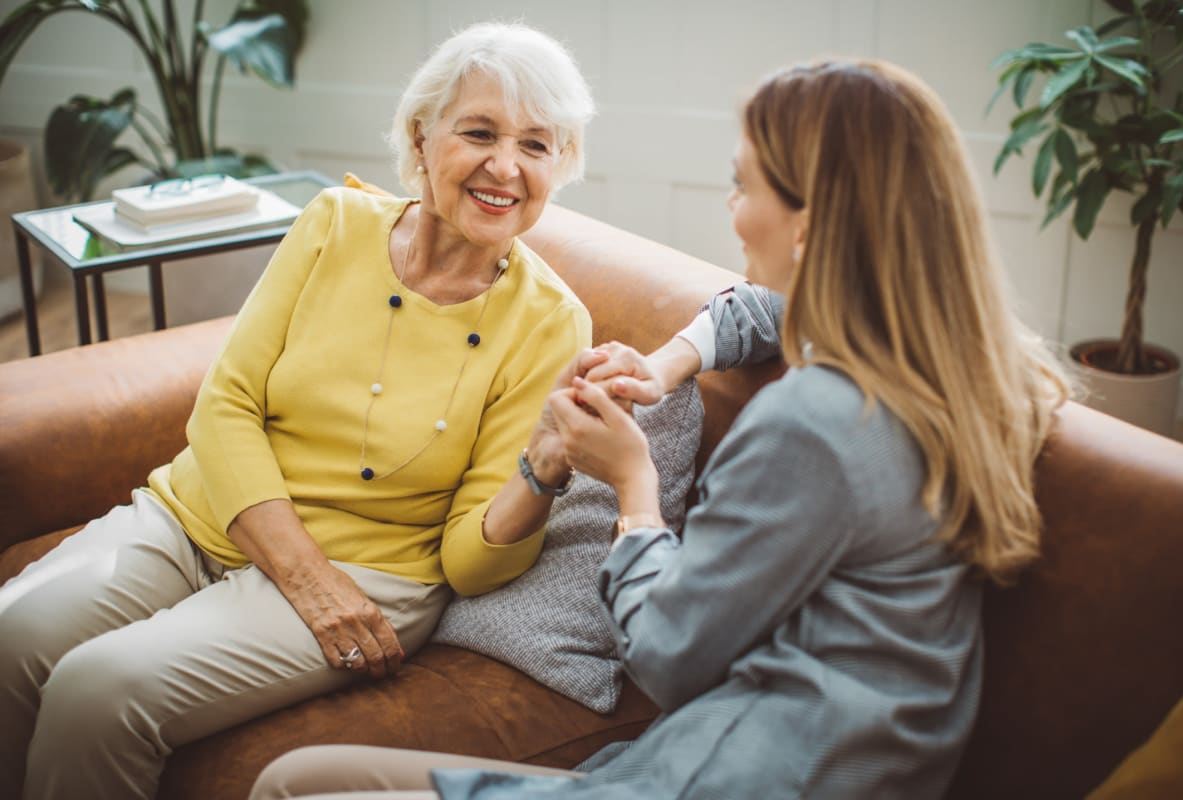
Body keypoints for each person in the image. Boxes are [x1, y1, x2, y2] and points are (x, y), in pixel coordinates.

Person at [248, 58, 1071, 799]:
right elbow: (767, 309)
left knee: (297, 788)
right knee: (301, 777)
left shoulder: (814, 423)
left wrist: (633, 485)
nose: (732, 210)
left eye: (746, 187)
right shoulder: (965, 362)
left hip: (738, 774)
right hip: (805, 758)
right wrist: (673, 361)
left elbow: (672, 659)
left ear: (811, 225)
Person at [0, 21, 598, 800]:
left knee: (99, 692)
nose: (504, 167)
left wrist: (542, 472)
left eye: (536, 145)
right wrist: (302, 574)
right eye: (479, 132)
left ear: (560, 166)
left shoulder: (552, 321)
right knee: (14, 633)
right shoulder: (332, 223)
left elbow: (467, 563)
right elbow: (226, 404)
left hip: (370, 572)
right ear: (421, 139)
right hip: (203, 514)